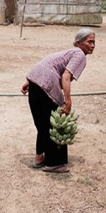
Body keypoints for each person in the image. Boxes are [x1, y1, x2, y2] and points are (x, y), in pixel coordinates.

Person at [21, 28, 96, 173]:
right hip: (45, 82)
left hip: (35, 77)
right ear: (78, 43)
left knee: (42, 122)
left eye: (94, 42)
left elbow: (48, 63)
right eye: (89, 42)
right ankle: (54, 163)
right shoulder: (79, 54)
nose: (92, 45)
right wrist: (68, 101)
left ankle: (39, 158)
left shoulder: (68, 52)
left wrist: (31, 83)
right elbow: (66, 76)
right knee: (56, 124)